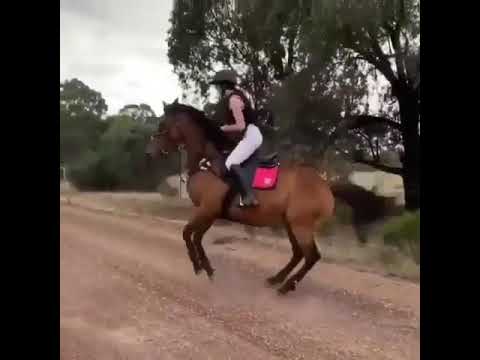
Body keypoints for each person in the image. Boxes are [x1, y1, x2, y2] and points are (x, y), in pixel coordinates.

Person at [209, 70, 263, 207]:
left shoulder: (233, 100)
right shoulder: (234, 97)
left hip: (251, 135)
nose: (217, 90)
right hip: (250, 134)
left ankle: (249, 196)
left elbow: (240, 125)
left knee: (230, 163)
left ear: (223, 86)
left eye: (218, 86)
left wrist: (222, 128)